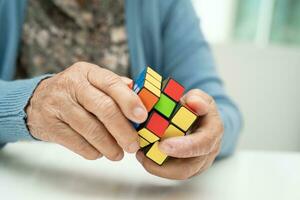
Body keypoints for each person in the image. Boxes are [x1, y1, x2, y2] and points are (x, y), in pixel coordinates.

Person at [0, 0, 242, 180]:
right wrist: (29, 103)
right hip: (19, 177)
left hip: (124, 187)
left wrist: (206, 134)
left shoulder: (165, 5)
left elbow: (221, 109)